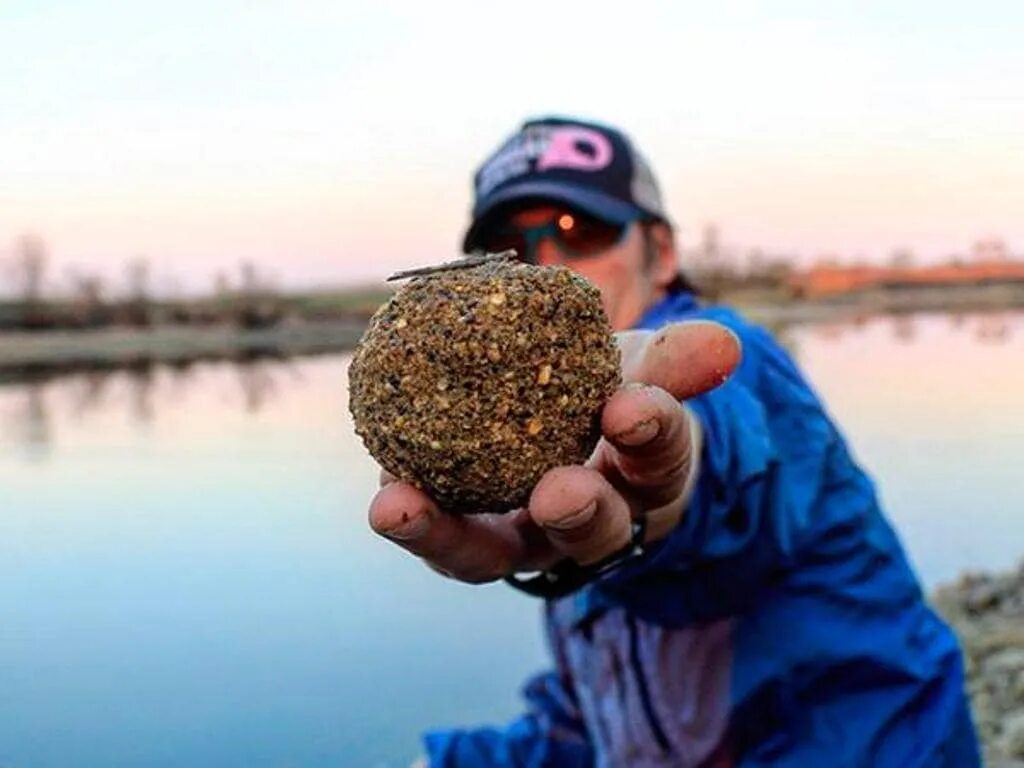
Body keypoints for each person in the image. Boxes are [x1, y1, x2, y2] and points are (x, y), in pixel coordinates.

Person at [368, 116, 980, 767]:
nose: (543, 262)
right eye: (507, 243)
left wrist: (663, 484)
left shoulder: (734, 365)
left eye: (581, 231)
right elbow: (602, 717)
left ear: (660, 252)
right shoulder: (552, 477)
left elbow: (729, 462)